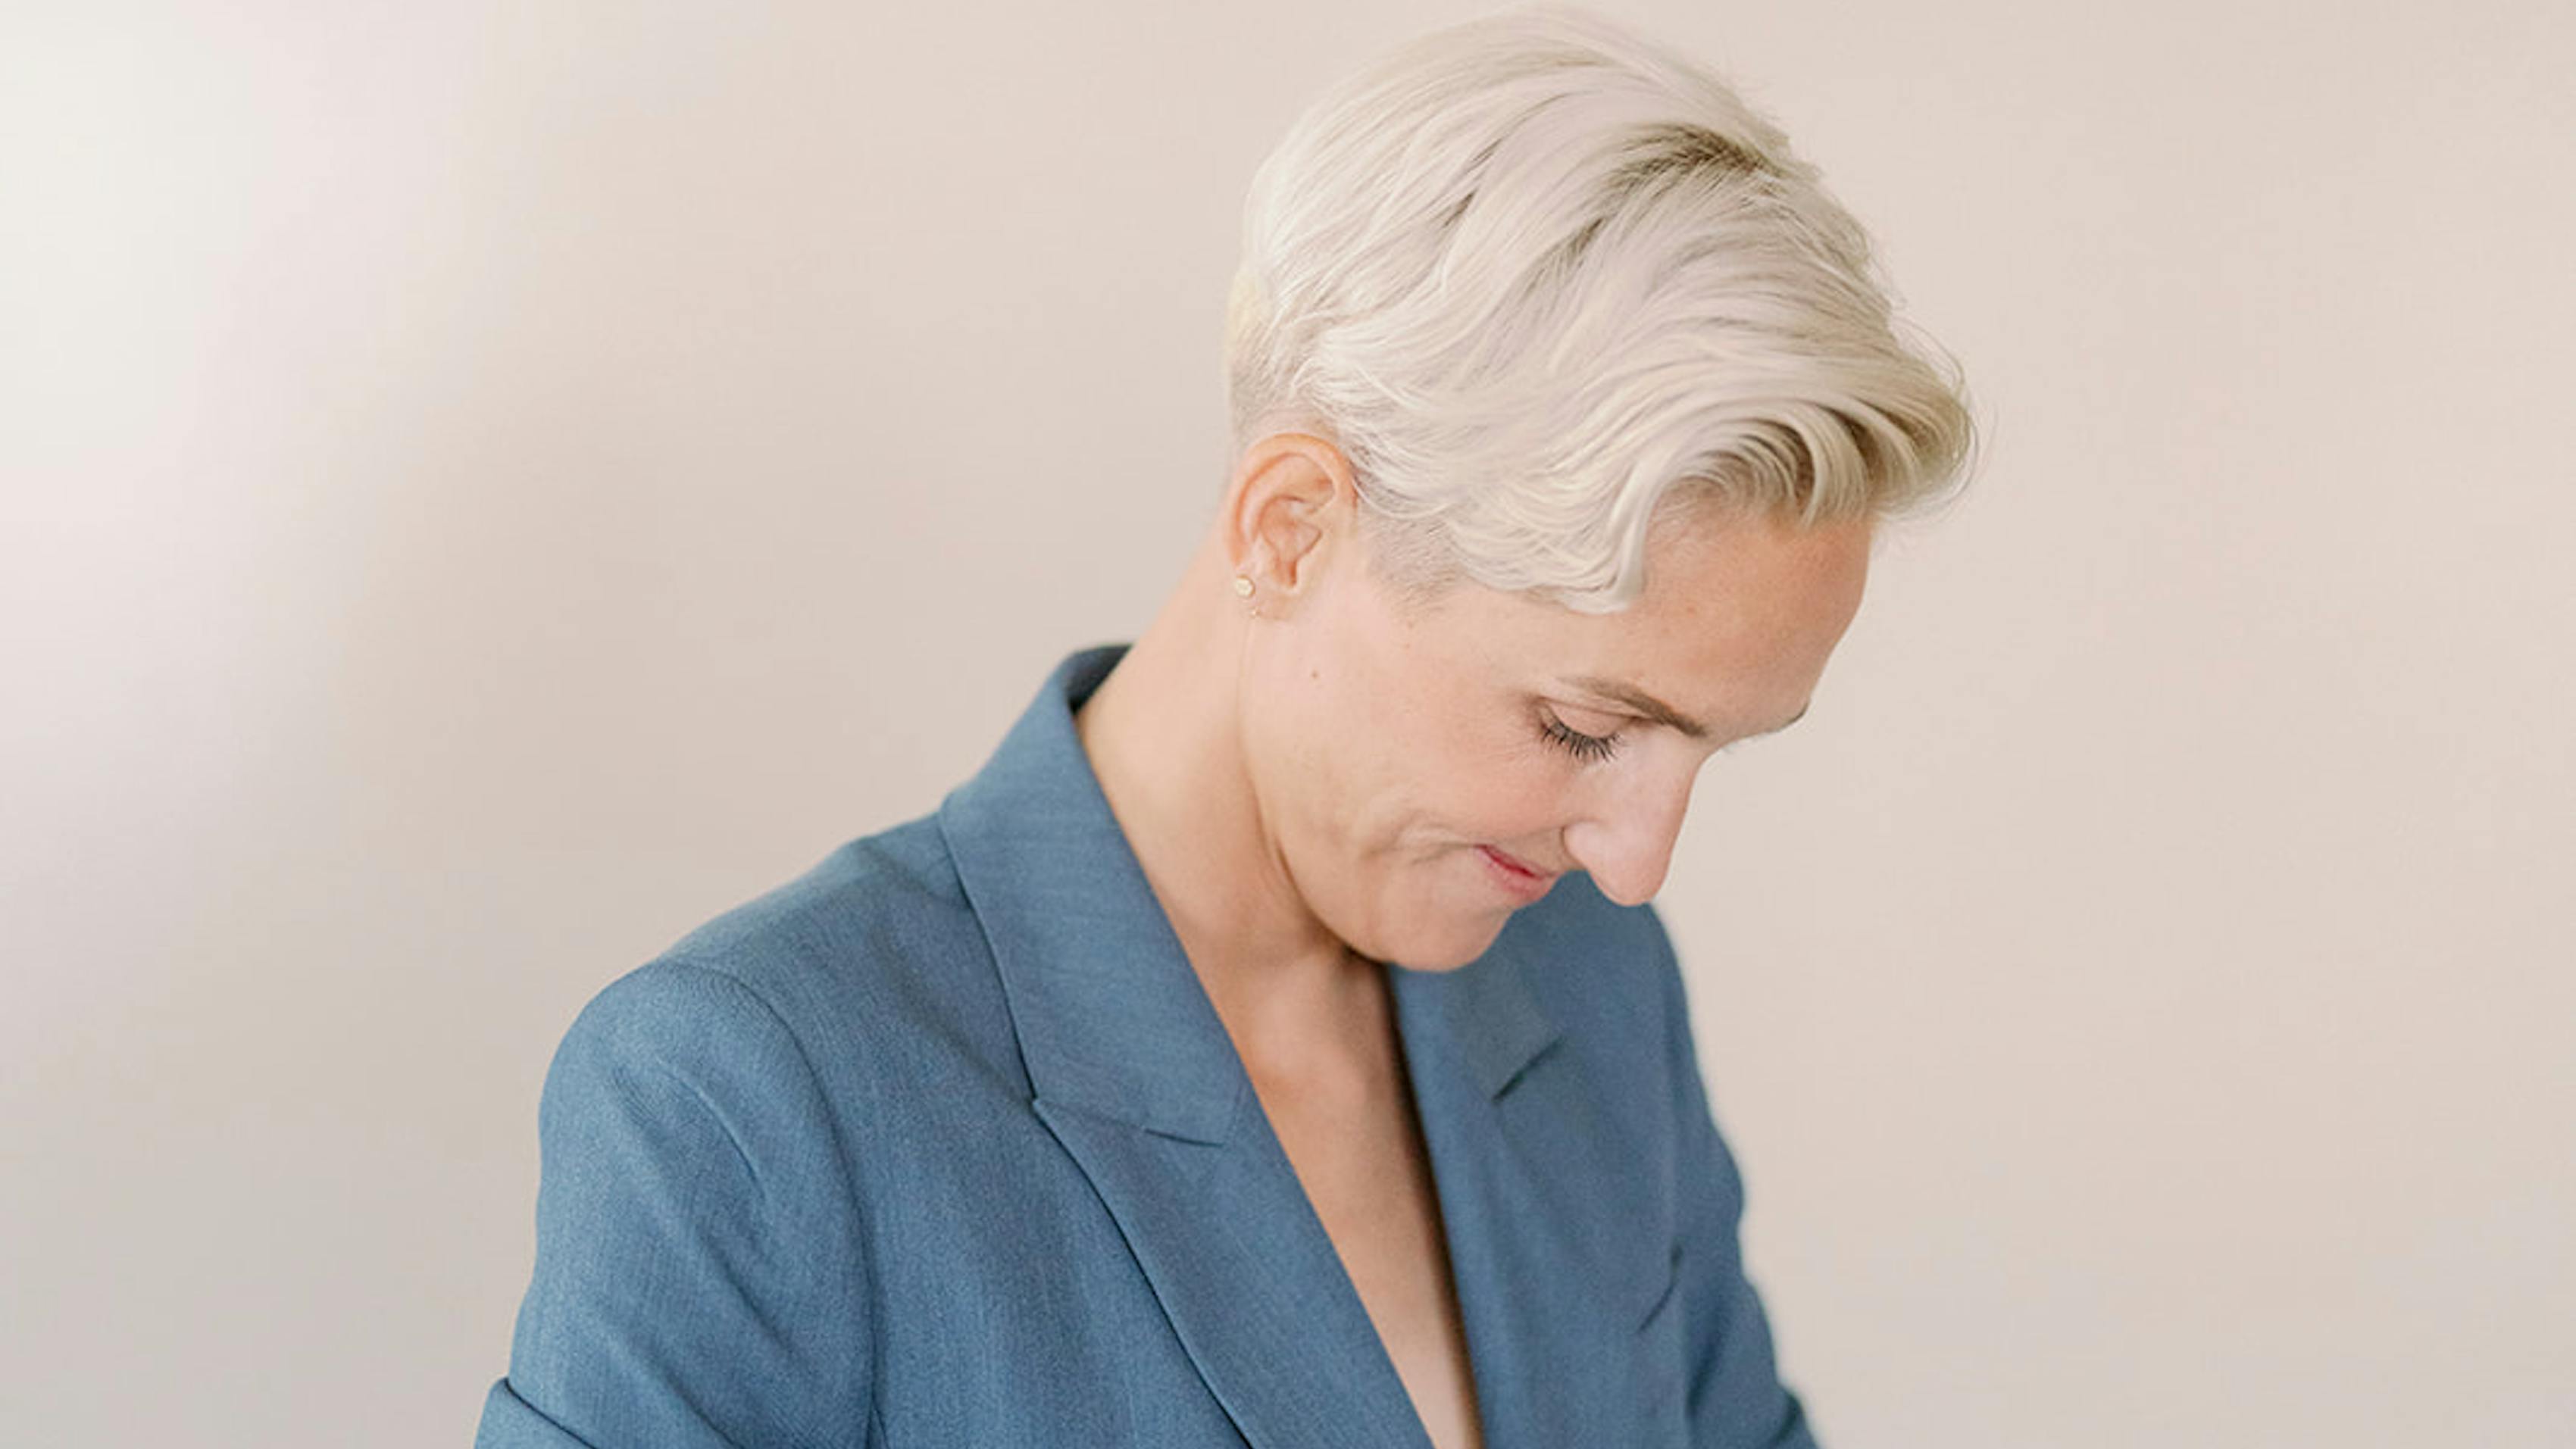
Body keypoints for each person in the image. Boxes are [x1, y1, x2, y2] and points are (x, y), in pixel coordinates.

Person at [475, 8, 1971, 1447]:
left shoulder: (1591, 990)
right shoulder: (750, 1099)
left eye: (1708, 749)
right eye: (1582, 728)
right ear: (1293, 523)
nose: (1637, 861)